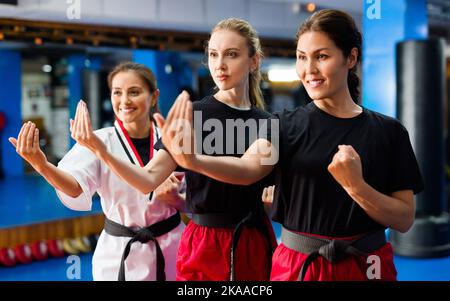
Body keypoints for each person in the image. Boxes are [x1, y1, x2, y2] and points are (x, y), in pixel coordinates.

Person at [157, 10, 424, 281]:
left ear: (351, 58)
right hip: (300, 266)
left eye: (322, 56)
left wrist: (357, 187)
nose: (309, 70)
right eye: (301, 57)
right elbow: (248, 168)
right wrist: (194, 160)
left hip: (368, 266)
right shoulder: (282, 125)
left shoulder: (389, 132)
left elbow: (403, 219)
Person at [68, 18, 277, 281]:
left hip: (252, 241)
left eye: (231, 55)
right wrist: (101, 151)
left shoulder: (269, 123)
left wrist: (192, 160)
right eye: (213, 54)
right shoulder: (192, 116)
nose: (219, 64)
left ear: (254, 61)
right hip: (203, 243)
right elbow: (147, 180)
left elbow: (248, 172)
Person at [9, 62, 184, 281]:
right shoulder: (98, 140)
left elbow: (195, 190)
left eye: (134, 92)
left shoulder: (171, 138)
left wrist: (179, 196)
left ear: (154, 96)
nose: (124, 101)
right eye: (117, 93)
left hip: (172, 244)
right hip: (120, 250)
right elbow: (75, 186)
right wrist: (43, 166)